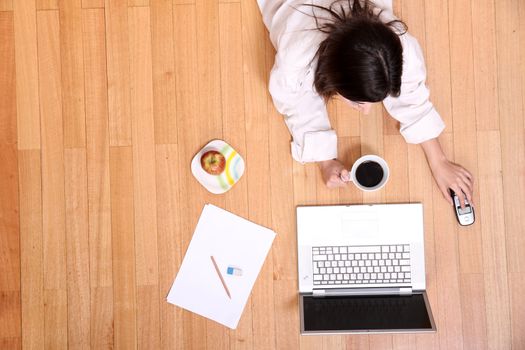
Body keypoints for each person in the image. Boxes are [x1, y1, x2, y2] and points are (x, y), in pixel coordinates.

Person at [258, 0, 474, 208]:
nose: (367, 111)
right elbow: (296, 103)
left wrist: (439, 161)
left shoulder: (398, 39)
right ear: (330, 77)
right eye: (359, 101)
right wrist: (325, 160)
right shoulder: (295, 59)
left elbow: (410, 89)